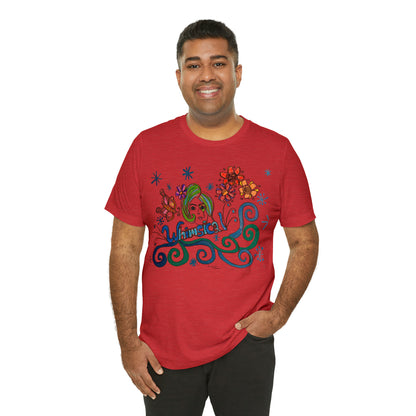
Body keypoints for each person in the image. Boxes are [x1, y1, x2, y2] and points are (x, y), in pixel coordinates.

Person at [105, 19, 319, 416]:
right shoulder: (146, 148)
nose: (206, 75)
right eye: (194, 65)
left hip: (244, 345)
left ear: (238, 73)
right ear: (179, 77)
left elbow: (304, 241)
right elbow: (124, 250)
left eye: (218, 63)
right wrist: (127, 342)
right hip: (162, 350)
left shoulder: (277, 151)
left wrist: (279, 313)